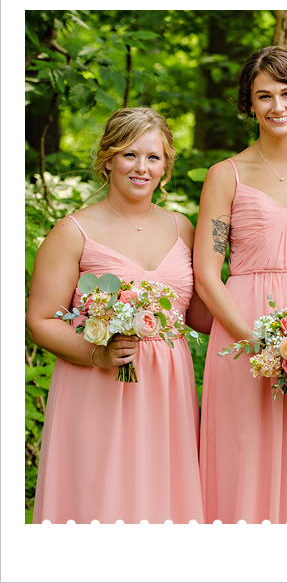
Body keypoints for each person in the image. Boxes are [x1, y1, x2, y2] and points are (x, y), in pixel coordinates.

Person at [27, 107, 210, 523]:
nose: (141, 168)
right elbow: (40, 320)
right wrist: (98, 355)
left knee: (161, 500)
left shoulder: (183, 228)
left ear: (165, 167)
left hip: (167, 387)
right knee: (101, 497)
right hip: (98, 381)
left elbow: (200, 314)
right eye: (129, 155)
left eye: (153, 157)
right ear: (108, 158)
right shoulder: (73, 231)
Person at [194, 46, 287, 524]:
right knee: (244, 456)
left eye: (286, 93)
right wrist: (254, 341)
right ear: (249, 105)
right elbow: (206, 274)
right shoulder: (226, 175)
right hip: (243, 330)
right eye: (264, 96)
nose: (277, 107)